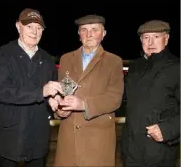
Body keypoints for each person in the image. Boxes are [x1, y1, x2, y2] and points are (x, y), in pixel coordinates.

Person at [0, 8, 63, 167]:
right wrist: (42, 92)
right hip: (8, 138)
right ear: (18, 26)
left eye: (39, 28)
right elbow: (2, 92)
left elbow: (51, 94)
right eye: (29, 26)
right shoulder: (2, 54)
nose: (34, 31)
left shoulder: (48, 60)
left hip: (37, 138)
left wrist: (54, 100)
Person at [49, 14, 124, 166]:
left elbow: (114, 99)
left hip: (97, 142)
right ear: (79, 34)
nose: (89, 34)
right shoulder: (65, 59)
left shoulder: (114, 61)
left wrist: (83, 105)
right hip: (68, 141)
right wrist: (59, 109)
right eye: (84, 30)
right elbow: (62, 92)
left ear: (103, 34)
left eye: (94, 29)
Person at [121, 20, 180, 167]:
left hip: (159, 150)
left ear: (166, 39)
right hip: (131, 150)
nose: (151, 42)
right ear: (141, 40)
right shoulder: (135, 67)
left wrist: (167, 130)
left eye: (156, 37)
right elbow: (120, 97)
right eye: (146, 37)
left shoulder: (176, 67)